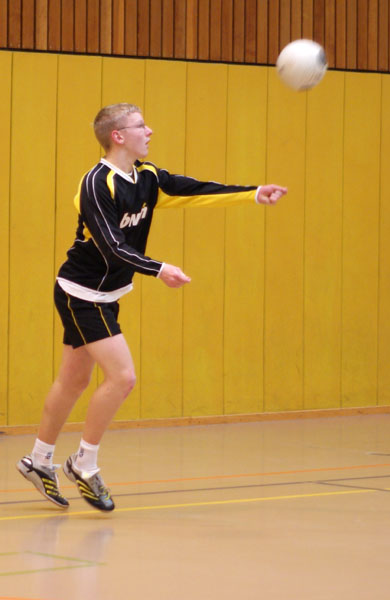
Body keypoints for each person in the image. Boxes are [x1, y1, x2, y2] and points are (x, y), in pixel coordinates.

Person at [16, 102, 287, 512]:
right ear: (118, 136)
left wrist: (253, 194)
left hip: (106, 294)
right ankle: (83, 464)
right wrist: (158, 269)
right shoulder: (96, 184)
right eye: (141, 125)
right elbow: (111, 245)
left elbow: (192, 190)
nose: (150, 131)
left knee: (73, 381)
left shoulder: (148, 177)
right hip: (81, 293)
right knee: (123, 377)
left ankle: (38, 461)